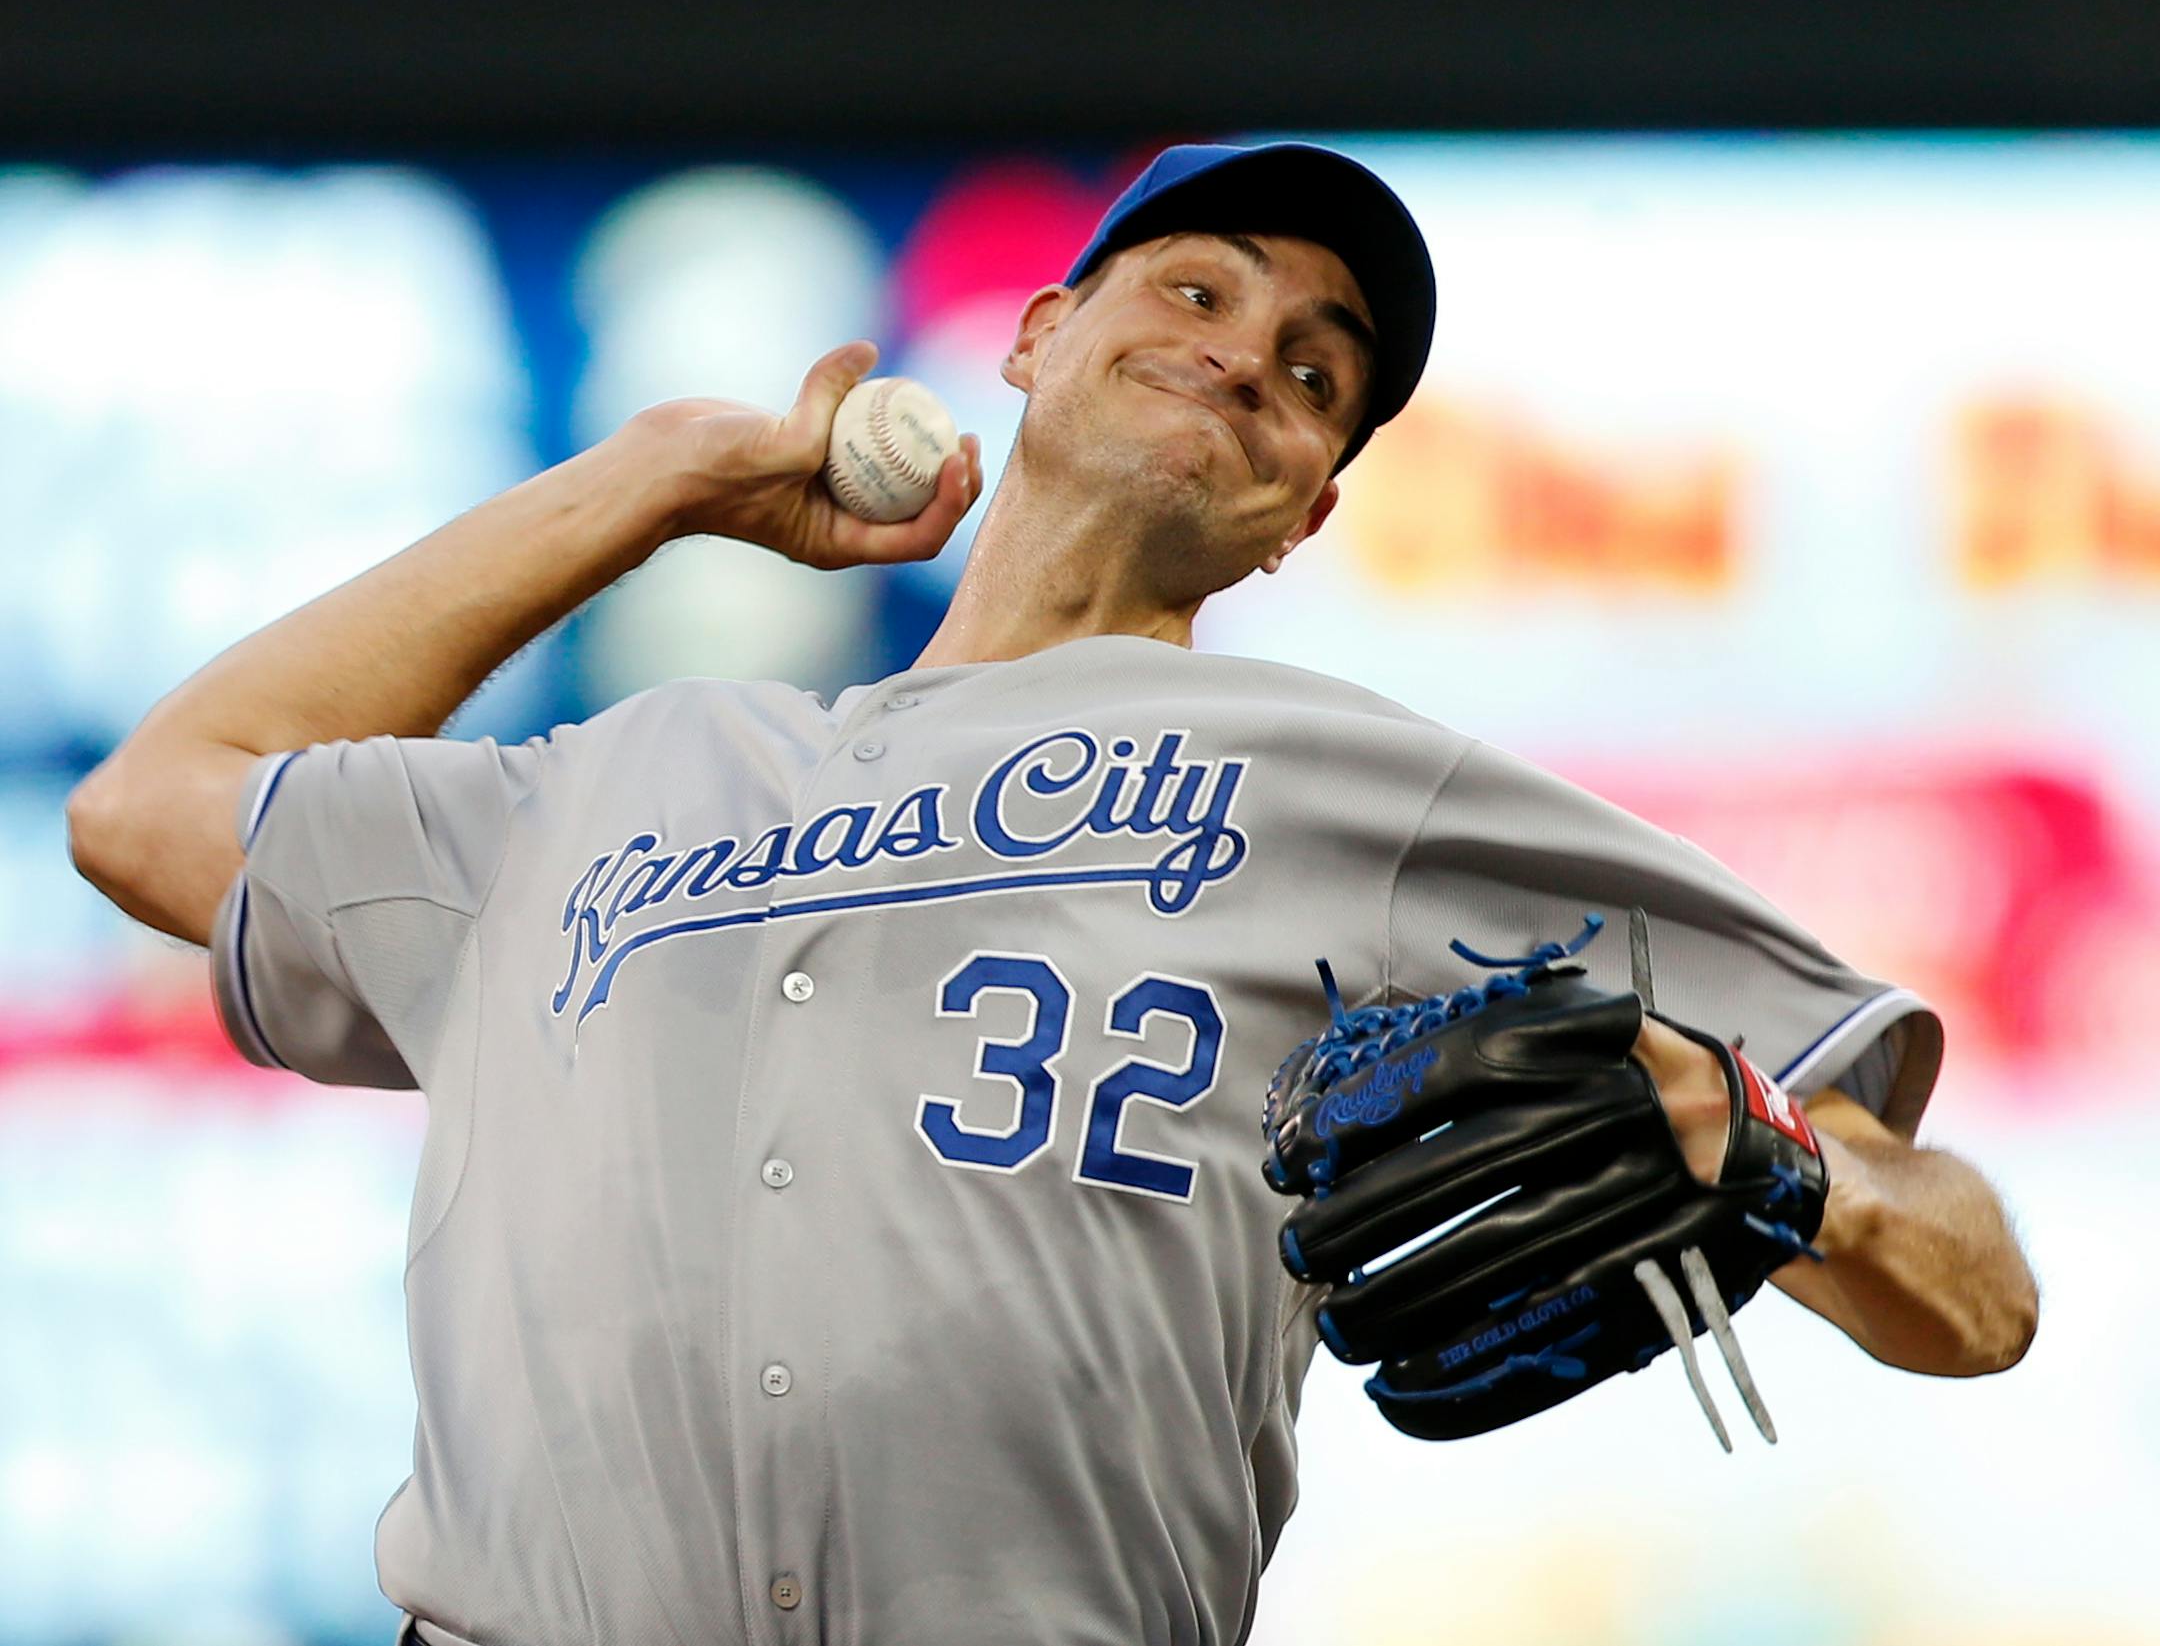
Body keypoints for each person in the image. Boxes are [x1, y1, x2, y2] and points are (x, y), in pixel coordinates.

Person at [67, 142, 2039, 1646]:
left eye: (1313, 367)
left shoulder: (1356, 780)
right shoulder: (608, 784)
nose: (1246, 359)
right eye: (1192, 286)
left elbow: (1978, 1294)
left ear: (1305, 510)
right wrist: (654, 479)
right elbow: (160, 804)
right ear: (1031, 338)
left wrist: (1791, 1154)